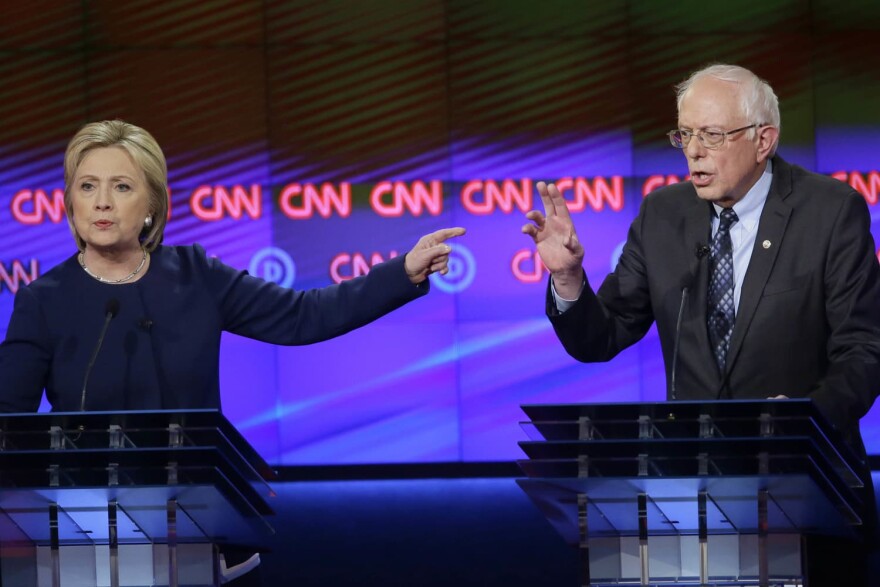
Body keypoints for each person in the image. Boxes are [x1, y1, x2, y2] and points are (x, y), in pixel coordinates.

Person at [522, 64, 880, 585]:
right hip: (687, 500)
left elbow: (864, 350)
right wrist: (569, 279)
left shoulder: (829, 211)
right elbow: (601, 336)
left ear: (763, 140)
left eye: (711, 135)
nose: (693, 151)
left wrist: (804, 423)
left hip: (806, 491)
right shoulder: (663, 214)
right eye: (684, 134)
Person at [0, 119, 465, 413]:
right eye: (87, 186)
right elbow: (10, 424)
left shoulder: (195, 275)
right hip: (84, 516)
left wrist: (403, 272)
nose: (102, 202)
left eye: (121, 186)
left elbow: (305, 316)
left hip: (194, 506)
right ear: (71, 202)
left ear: (152, 206)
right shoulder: (43, 301)